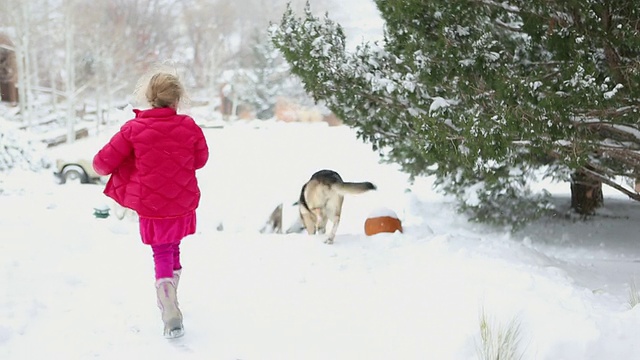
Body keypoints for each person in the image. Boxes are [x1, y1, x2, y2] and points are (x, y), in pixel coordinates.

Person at [92, 71, 209, 339]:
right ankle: (172, 298)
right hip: (182, 202)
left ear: (149, 98)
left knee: (161, 251)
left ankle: (167, 301)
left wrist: (132, 160)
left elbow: (101, 164)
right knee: (173, 244)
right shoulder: (189, 126)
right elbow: (200, 159)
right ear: (177, 99)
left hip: (152, 205)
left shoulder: (134, 129)